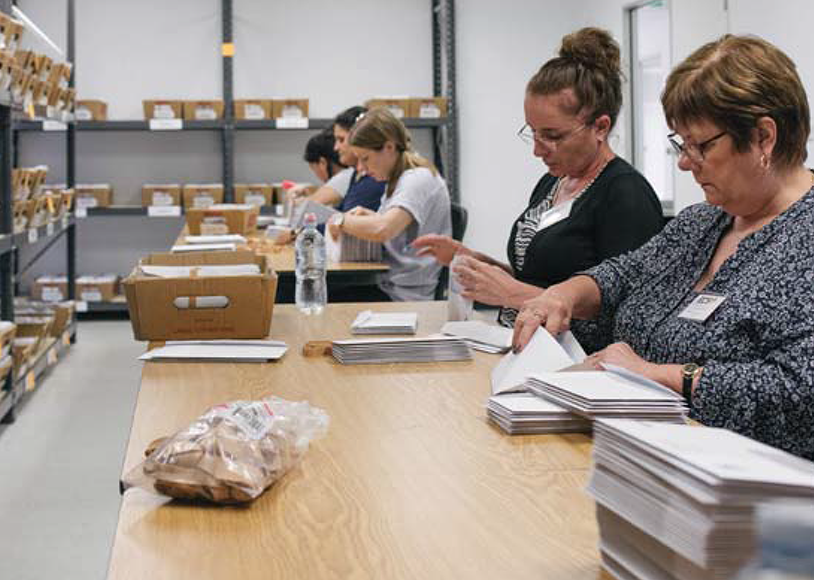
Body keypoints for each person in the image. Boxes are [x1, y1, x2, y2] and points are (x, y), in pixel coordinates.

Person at [512, 34, 814, 461]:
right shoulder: (703, 221)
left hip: (747, 492)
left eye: (700, 145)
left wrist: (656, 375)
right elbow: (625, 273)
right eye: (680, 144)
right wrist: (563, 294)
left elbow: (799, 393)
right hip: (642, 459)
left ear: (764, 137)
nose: (685, 162)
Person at [412, 27, 664, 350]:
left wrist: (510, 294)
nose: (537, 150)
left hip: (575, 365)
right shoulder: (553, 182)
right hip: (521, 348)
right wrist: (474, 260)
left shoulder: (626, 195)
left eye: (553, 136)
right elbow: (537, 276)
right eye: (532, 133)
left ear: (600, 127)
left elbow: (628, 315)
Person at [327, 107, 452, 301]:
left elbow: (384, 229)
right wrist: (372, 216)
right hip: (390, 285)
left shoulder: (417, 179)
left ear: (389, 147)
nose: (361, 168)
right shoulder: (399, 178)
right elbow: (393, 224)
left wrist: (338, 220)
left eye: (365, 158)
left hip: (405, 296)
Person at [291, 106, 386, 213]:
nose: (336, 147)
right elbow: (341, 215)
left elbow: (346, 222)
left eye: (341, 140)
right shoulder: (357, 175)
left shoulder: (372, 179)